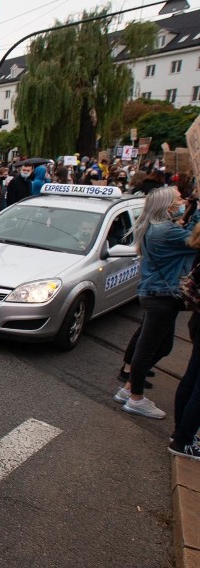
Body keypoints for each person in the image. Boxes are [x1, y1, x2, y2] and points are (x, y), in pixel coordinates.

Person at [114, 187, 200, 419]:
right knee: (147, 348)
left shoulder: (158, 226)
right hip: (161, 295)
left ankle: (130, 389)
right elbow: (195, 241)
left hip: (158, 294)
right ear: (168, 205)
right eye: (179, 198)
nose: (183, 201)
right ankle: (135, 399)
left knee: (162, 346)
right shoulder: (165, 231)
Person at [170, 234, 200, 459]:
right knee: (196, 386)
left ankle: (180, 433)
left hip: (198, 320)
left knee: (191, 379)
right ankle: (183, 441)